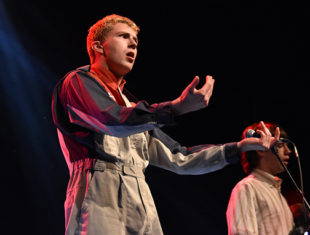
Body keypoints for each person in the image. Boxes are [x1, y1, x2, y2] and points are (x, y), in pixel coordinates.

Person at [51, 14, 279, 235]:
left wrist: (238, 148)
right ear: (99, 47)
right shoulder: (77, 82)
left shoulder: (133, 106)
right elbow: (112, 120)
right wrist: (176, 107)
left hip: (141, 198)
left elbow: (180, 157)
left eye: (136, 42)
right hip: (99, 192)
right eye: (123, 36)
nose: (133, 44)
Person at [226, 122, 295, 235]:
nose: (288, 151)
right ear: (260, 149)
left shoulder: (278, 194)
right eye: (280, 145)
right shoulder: (247, 188)